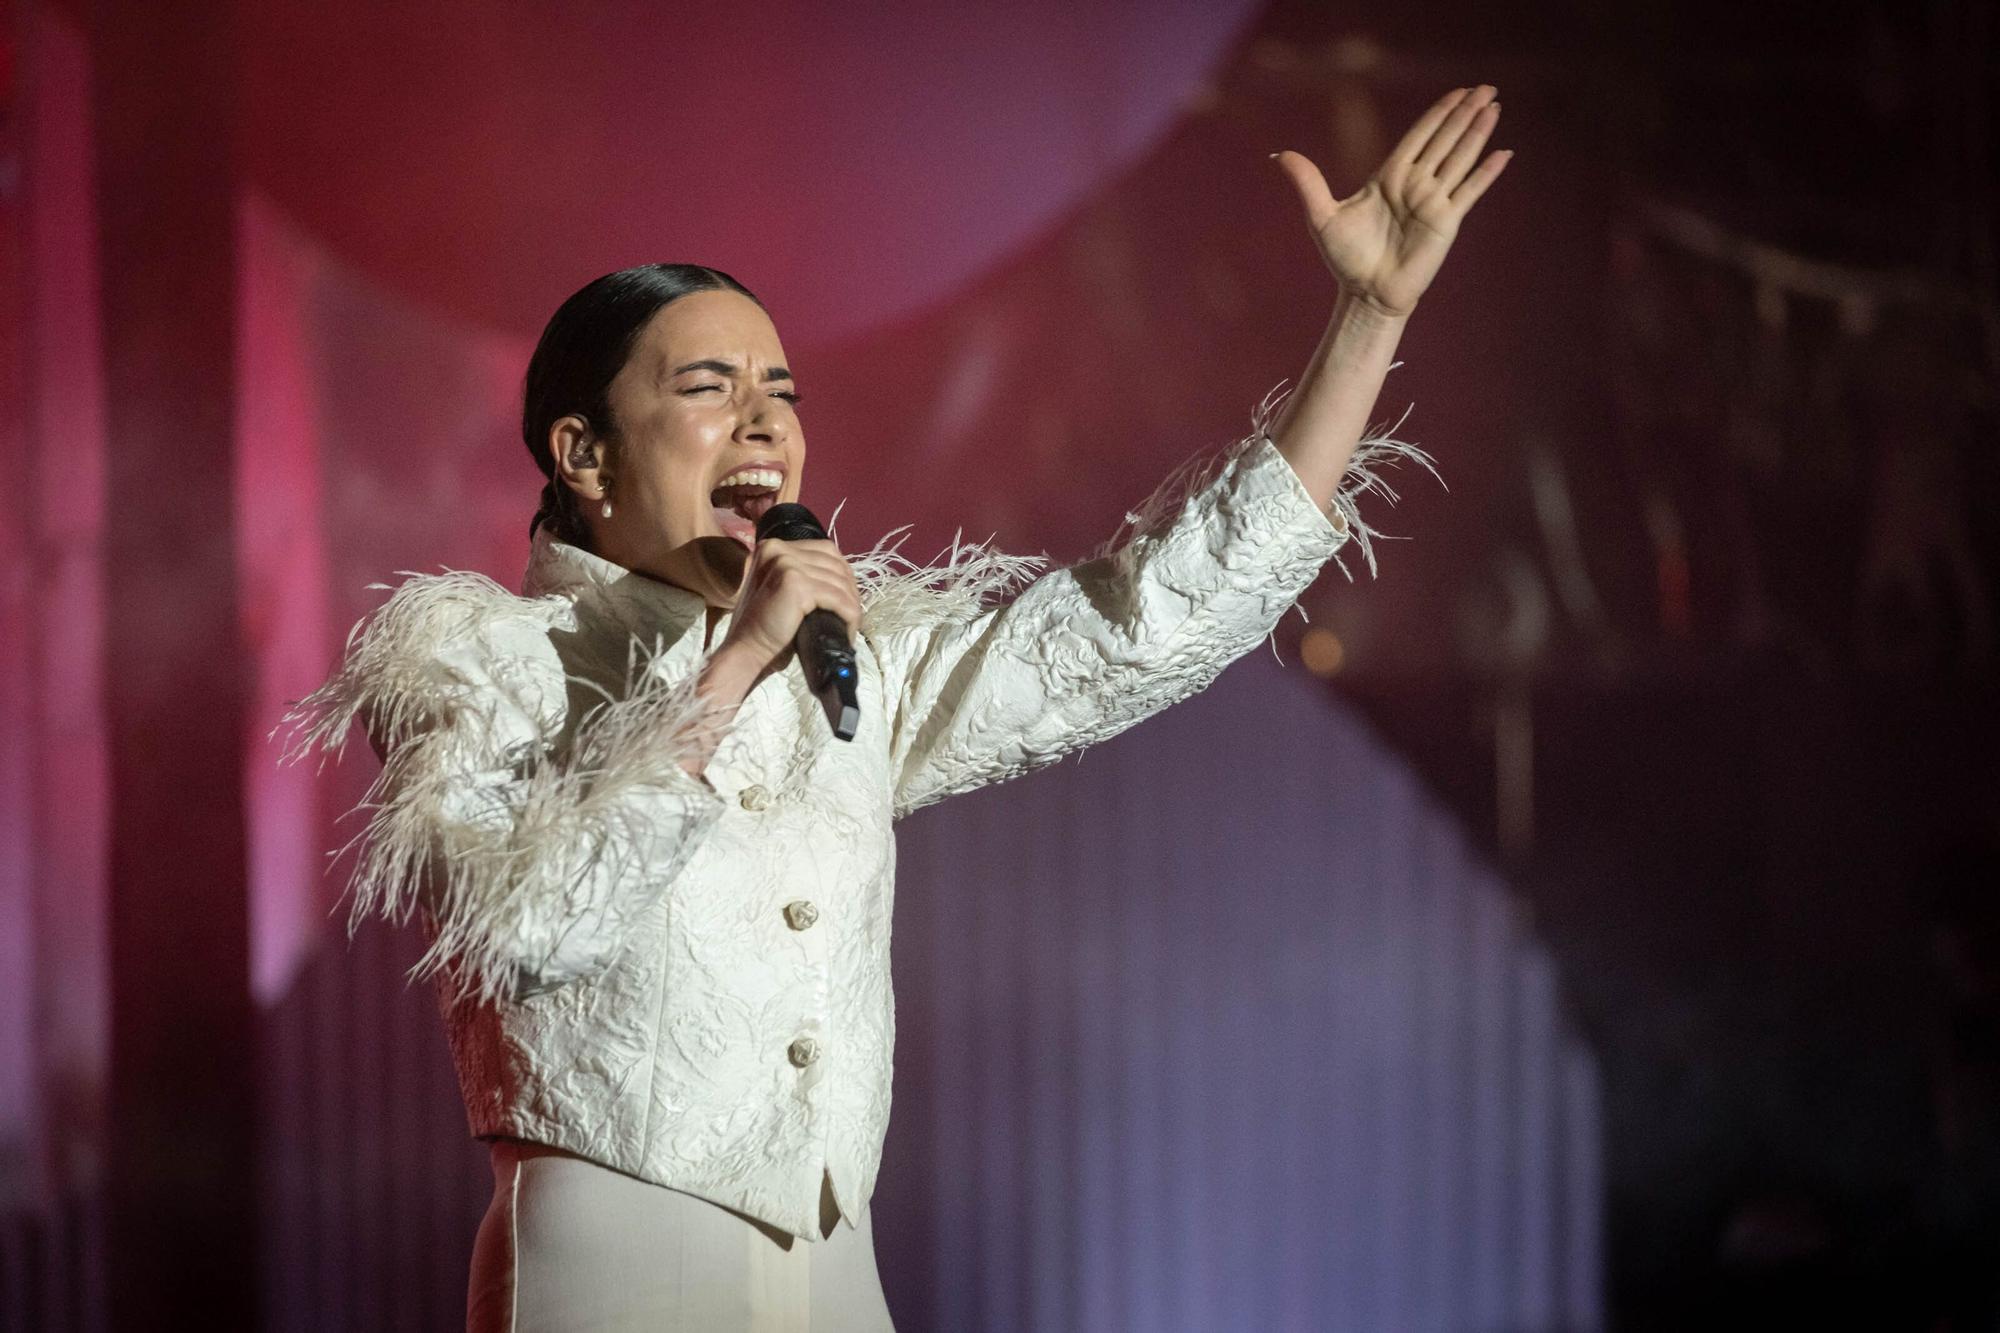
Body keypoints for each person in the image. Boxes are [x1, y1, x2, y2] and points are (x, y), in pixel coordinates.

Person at [274, 85, 1508, 1332]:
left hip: (836, 1272)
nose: (765, 420)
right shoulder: (482, 656)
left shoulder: (849, 671)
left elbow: (1136, 625)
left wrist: (1364, 318)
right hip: (616, 1262)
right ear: (585, 454)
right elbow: (529, 926)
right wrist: (729, 665)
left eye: (782, 390)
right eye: (709, 387)